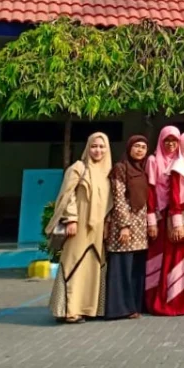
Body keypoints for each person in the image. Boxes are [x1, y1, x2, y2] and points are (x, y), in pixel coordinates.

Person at [47, 132, 112, 323]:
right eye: (94, 146)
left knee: (93, 264)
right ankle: (68, 310)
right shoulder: (78, 168)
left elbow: (109, 202)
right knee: (73, 262)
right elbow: (68, 195)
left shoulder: (107, 172)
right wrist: (71, 219)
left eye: (102, 147)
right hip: (79, 224)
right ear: (87, 147)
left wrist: (107, 224)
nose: (98, 150)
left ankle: (88, 308)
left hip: (98, 228)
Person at [104, 134, 154, 319]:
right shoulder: (121, 168)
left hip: (140, 227)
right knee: (122, 267)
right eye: (136, 146)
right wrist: (124, 225)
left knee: (135, 268)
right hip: (124, 225)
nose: (140, 150)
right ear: (129, 148)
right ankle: (120, 308)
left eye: (143, 147)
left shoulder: (142, 169)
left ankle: (134, 305)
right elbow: (118, 197)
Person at [154, 130, 184, 317]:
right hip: (181, 216)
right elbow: (174, 196)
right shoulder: (178, 166)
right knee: (177, 261)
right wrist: (177, 223)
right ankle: (174, 302)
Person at [144, 126, 180, 314]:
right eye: (167, 140)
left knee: (171, 258)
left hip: (174, 215)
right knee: (156, 257)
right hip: (158, 215)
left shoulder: (181, 161)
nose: (171, 144)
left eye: (174, 140)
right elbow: (150, 190)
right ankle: (152, 300)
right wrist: (151, 219)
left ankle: (170, 298)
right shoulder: (153, 161)